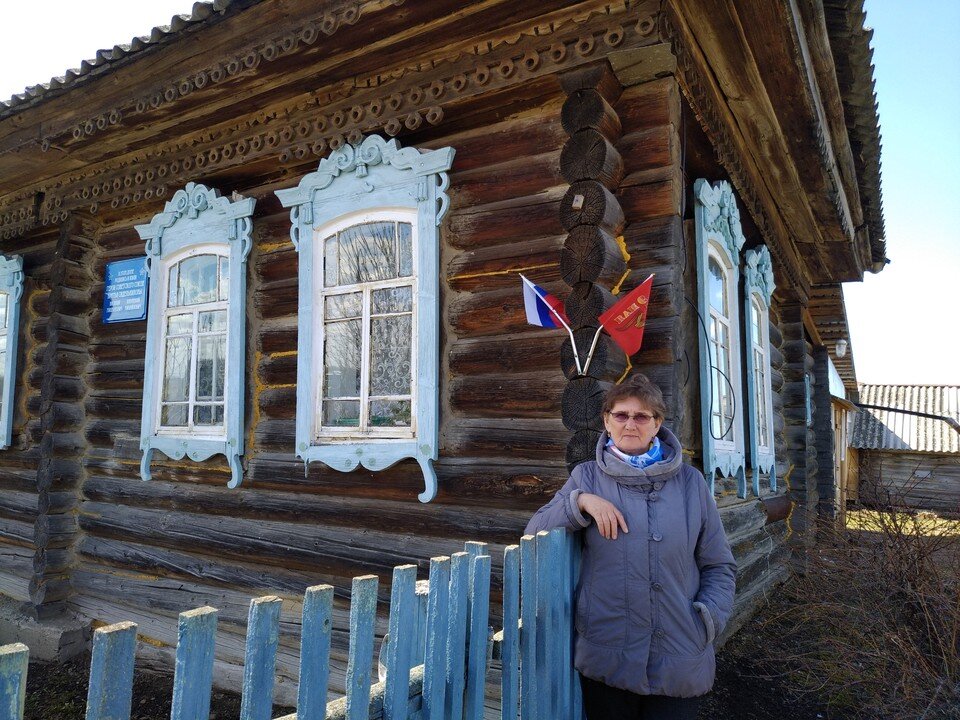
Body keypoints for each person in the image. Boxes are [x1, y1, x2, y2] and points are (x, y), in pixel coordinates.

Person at [525, 374, 736, 720]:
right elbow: (535, 531)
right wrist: (581, 502)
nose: (630, 424)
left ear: (657, 424)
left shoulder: (690, 483)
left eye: (641, 416)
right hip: (609, 649)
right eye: (621, 415)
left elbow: (719, 564)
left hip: (680, 649)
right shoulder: (587, 477)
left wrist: (707, 619)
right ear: (607, 421)